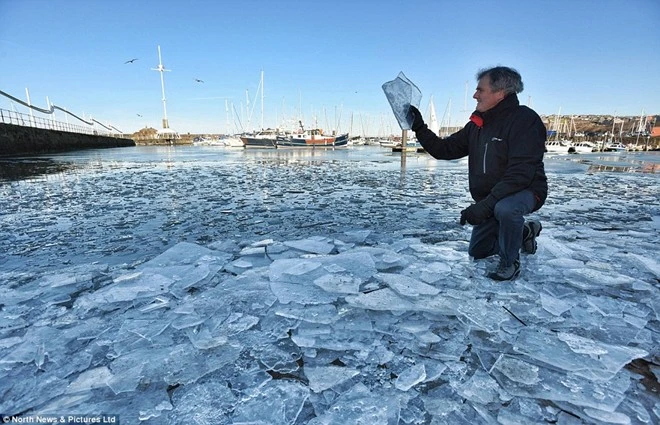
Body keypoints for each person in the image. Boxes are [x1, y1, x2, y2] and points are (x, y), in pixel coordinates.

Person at [408, 66, 547, 280]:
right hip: (491, 198)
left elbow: (520, 174)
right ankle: (526, 232)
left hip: (525, 190)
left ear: (500, 93)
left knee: (506, 209)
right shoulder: (477, 126)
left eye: (480, 90)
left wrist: (486, 205)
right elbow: (444, 150)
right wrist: (419, 127)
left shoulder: (525, 120)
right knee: (479, 251)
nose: (475, 95)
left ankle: (510, 262)